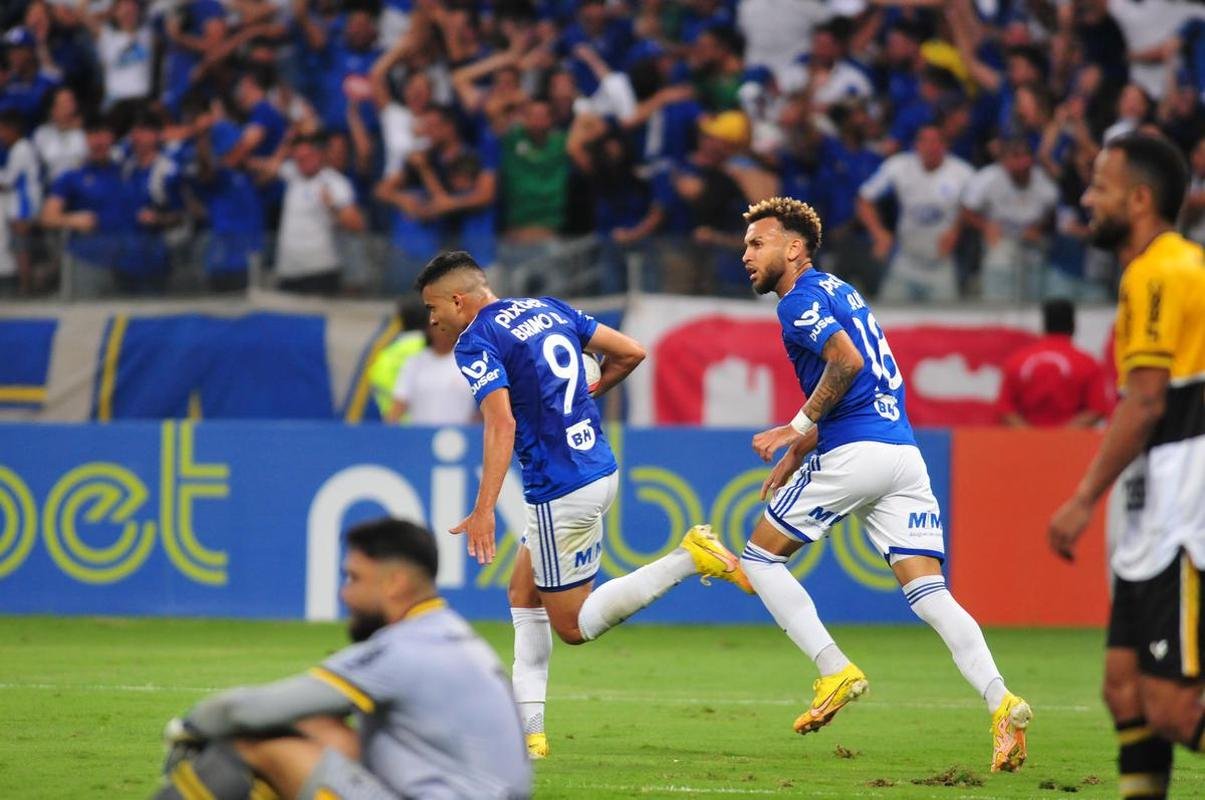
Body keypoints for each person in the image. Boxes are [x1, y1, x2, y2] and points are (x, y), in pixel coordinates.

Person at [415, 250, 752, 760]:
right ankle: (530, 736)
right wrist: (578, 397)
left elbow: (500, 423)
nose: (431, 318)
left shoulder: (476, 340)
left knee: (572, 626)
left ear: (458, 300)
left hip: (559, 486)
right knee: (522, 594)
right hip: (598, 465)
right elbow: (632, 352)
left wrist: (484, 509)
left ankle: (689, 558)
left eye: (432, 306)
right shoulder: (546, 308)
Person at [735, 197, 1032, 772]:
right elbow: (859, 378)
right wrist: (799, 451)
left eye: (757, 243)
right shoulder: (841, 290)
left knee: (760, 560)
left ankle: (833, 670)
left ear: (793, 248)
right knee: (930, 594)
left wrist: (793, 429)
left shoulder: (797, 302)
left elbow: (845, 365)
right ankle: (1003, 703)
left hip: (856, 451)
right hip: (902, 454)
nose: (745, 254)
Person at [152, 517, 532, 800]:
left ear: (394, 582)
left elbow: (245, 710)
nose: (344, 593)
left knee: (258, 743)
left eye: (353, 578)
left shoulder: (407, 648)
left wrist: (188, 726)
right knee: (318, 727)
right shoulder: (448, 635)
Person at [1048, 133, 1205, 797]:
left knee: (1172, 708)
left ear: (1139, 200)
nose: (1085, 200)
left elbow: (1142, 405)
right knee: (1123, 690)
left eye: (1099, 188)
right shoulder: (1156, 269)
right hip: (1155, 499)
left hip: (1183, 498)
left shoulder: (1160, 271)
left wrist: (1083, 497)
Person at [856, 124, 975, 303]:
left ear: (945, 145)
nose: (930, 147)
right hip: (905, 261)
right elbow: (864, 199)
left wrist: (956, 230)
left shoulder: (963, 173)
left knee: (946, 323)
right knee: (890, 319)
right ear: (916, 145)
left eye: (935, 142)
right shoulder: (898, 167)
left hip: (941, 263)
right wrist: (878, 233)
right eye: (924, 141)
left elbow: (975, 206)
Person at [996, 299, 1110, 428]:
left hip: (1026, 444)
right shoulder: (1088, 363)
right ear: (1073, 325)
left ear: (1044, 325)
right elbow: (1097, 409)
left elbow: (1005, 408)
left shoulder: (1016, 361)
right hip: (1073, 444)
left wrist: (1030, 436)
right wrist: (1062, 436)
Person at [387, 316, 478, 426]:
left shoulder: (470, 362)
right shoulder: (414, 363)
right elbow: (399, 403)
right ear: (429, 329)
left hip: (459, 438)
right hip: (420, 436)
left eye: (447, 327)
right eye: (437, 327)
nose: (442, 332)